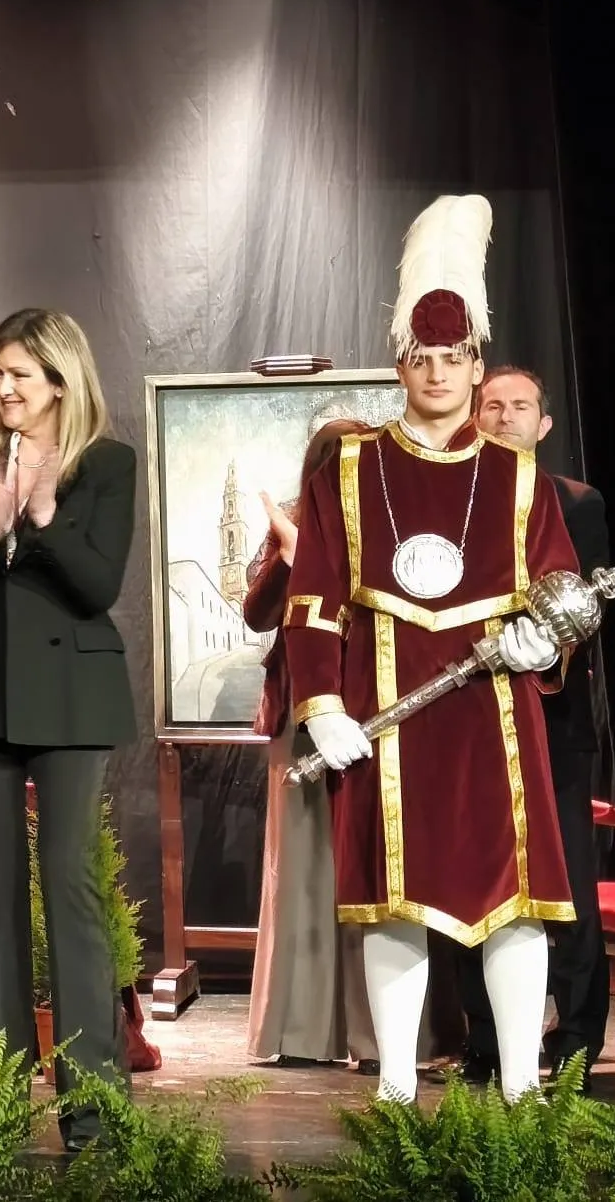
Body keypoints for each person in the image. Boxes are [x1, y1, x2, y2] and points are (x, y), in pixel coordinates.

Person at [286, 194, 576, 1105]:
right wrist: (323, 707)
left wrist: (549, 635)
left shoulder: (518, 473)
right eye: (424, 356)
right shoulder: (349, 465)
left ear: (477, 362)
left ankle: (524, 1092)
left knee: (517, 900)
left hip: (497, 718)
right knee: (392, 901)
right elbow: (315, 599)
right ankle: (399, 1087)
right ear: (399, 363)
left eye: (457, 357)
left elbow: (564, 584)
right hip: (387, 716)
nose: (441, 372)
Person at [0, 308, 133, 1152]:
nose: (3, 389)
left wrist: (39, 514)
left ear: (60, 383)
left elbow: (98, 583)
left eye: (21, 376)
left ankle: (94, 1109)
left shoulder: (107, 463)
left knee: (71, 887)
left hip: (73, 696)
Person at [442, 365, 613, 1086]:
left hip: (554, 721)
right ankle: (483, 1038)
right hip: (470, 722)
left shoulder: (576, 502)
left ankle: (574, 1042)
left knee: (568, 884)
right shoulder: (451, 503)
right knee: (466, 880)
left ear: (543, 424)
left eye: (520, 407)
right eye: (492, 406)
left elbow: (589, 607)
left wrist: (542, 645)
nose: (505, 416)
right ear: (474, 418)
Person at [244, 419, 381, 1070]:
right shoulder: (292, 523)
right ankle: (302, 1032)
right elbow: (257, 613)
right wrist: (294, 559)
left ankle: (381, 1033)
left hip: (378, 716)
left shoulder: (388, 518)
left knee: (374, 869)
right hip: (302, 714)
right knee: (303, 876)